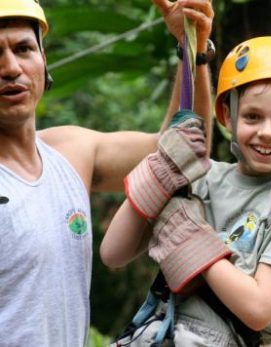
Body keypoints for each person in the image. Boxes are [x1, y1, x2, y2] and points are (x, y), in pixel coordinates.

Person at [0, 0, 215, 346]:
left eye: (23, 48)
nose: (10, 67)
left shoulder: (71, 153)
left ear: (43, 60)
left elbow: (181, 150)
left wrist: (192, 47)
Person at [101, 35, 271, 346]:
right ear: (227, 116)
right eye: (252, 116)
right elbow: (113, 253)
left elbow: (259, 309)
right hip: (161, 331)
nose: (266, 132)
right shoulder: (202, 179)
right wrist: (159, 173)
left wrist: (193, 241)